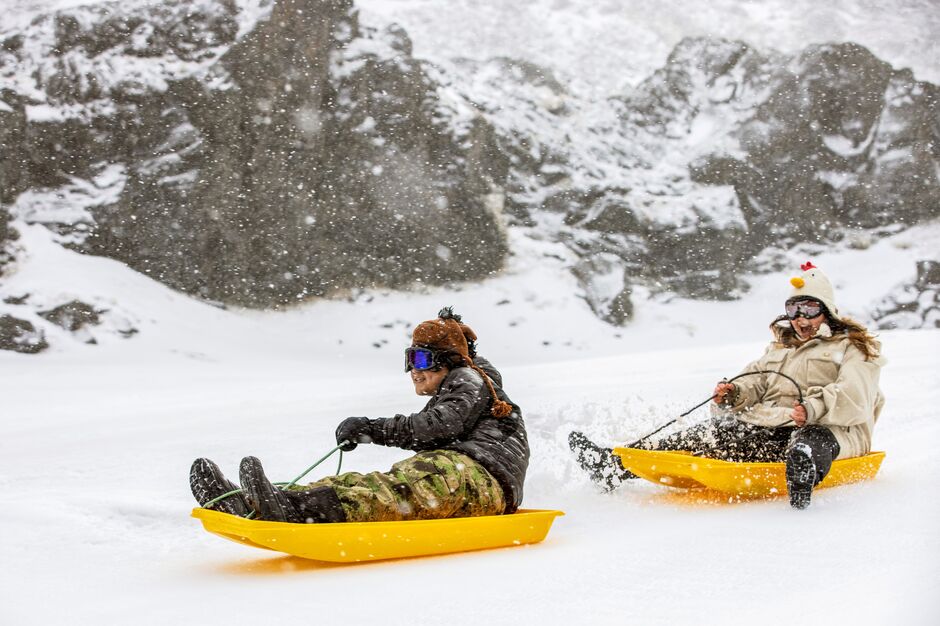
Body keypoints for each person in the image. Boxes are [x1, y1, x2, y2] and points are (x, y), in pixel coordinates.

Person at [569, 262, 885, 509]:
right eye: (794, 310)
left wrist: (812, 409)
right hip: (775, 427)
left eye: (810, 309)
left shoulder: (852, 347)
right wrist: (733, 393)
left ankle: (802, 474)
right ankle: (614, 465)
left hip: (834, 430)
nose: (801, 319)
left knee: (810, 439)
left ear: (826, 310)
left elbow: (855, 397)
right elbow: (756, 381)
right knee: (715, 433)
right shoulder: (781, 349)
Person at [190, 307, 529, 523]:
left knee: (403, 486)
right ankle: (265, 504)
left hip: (483, 480)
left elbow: (438, 427)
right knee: (372, 482)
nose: (413, 370)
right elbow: (438, 430)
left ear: (449, 361)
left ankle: (294, 509)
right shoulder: (463, 386)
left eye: (422, 361)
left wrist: (373, 429)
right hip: (468, 477)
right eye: (409, 360)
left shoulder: (468, 379)